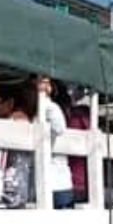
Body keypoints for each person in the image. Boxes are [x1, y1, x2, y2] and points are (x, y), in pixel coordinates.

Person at [36, 74, 75, 209]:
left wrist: (44, 103)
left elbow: (59, 129)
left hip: (57, 182)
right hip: (48, 182)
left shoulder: (51, 107)